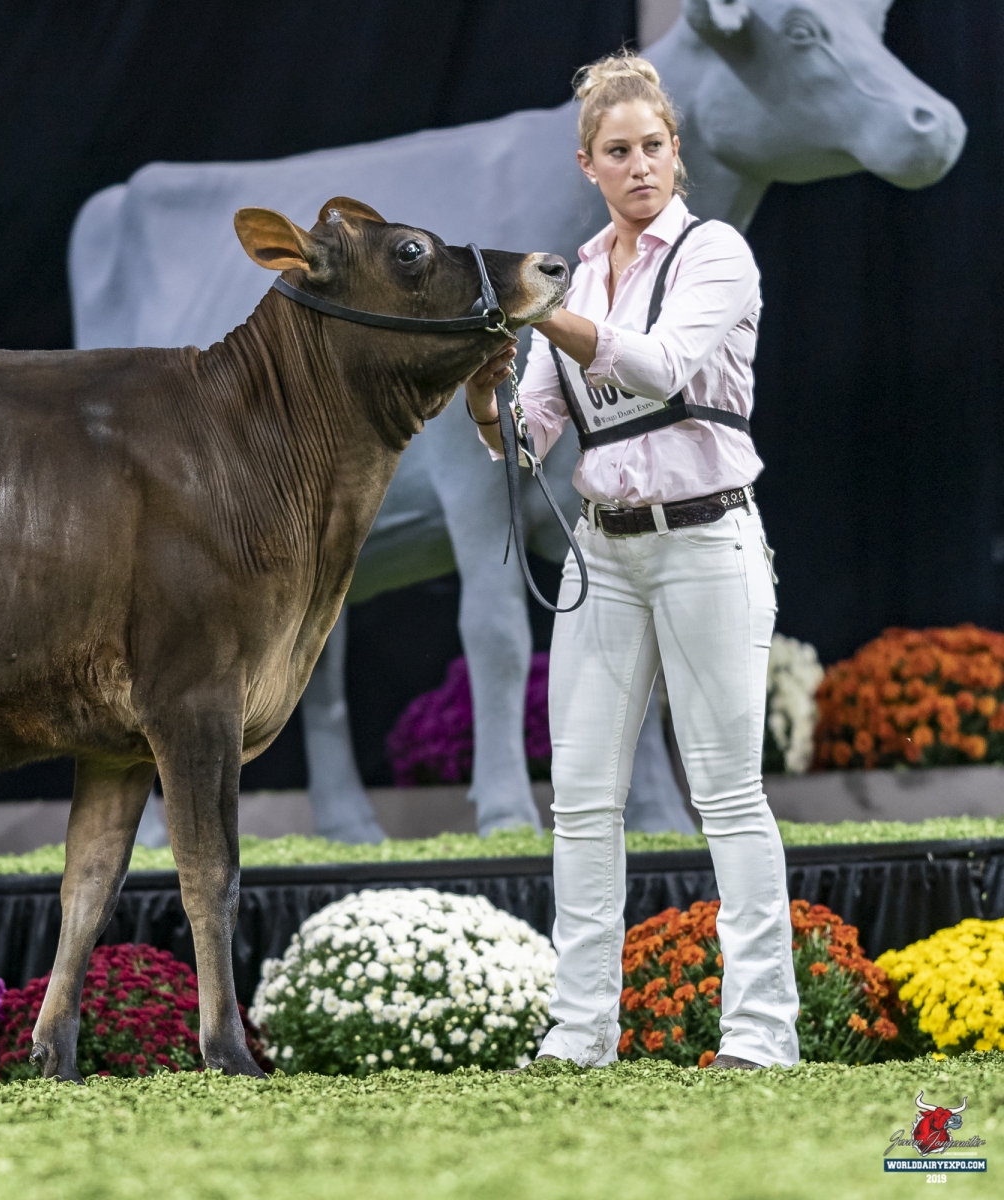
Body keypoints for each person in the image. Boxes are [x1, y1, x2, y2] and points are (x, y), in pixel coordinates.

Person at [464, 52, 798, 1070]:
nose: (640, 164)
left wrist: (535, 312)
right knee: (581, 801)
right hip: (603, 551)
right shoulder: (572, 276)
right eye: (618, 151)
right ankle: (579, 1034)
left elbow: (658, 365)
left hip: (706, 538)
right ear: (588, 164)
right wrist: (482, 394)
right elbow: (527, 436)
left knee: (727, 795)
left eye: (654, 145)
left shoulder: (714, 253)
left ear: (676, 151)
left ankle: (762, 1035)